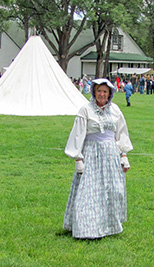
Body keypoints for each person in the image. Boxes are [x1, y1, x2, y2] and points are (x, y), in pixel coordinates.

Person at [63, 78, 133, 239]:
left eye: (105, 91)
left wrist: (124, 155)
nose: (102, 94)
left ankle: (109, 226)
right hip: (92, 154)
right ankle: (87, 228)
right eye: (99, 91)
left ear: (110, 94)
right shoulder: (85, 110)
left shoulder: (115, 110)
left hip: (110, 155)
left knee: (112, 190)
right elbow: (78, 134)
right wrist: (78, 159)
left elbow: (121, 133)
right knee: (89, 191)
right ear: (94, 92)